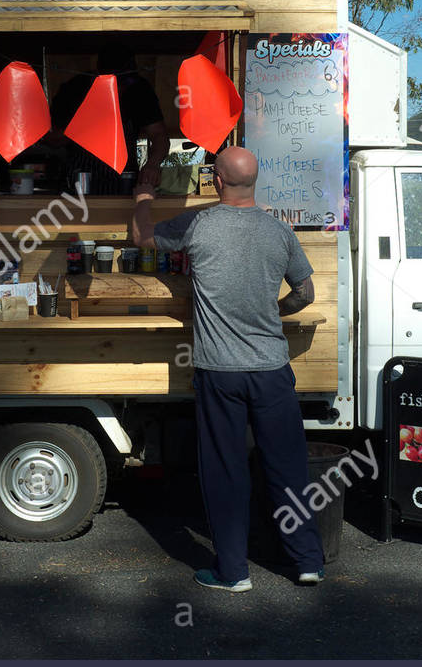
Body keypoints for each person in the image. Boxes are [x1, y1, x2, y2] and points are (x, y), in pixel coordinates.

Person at [130, 147, 324, 591]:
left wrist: (143, 195)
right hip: (272, 368)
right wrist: (274, 312)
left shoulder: (198, 224)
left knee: (225, 471)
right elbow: (306, 293)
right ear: (255, 181)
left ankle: (233, 573)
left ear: (216, 180)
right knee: (287, 466)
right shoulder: (279, 231)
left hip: (220, 373)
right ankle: (307, 561)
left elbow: (141, 238)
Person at [51, 46, 169, 194]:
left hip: (123, 182)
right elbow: (53, 138)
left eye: (127, 81)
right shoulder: (75, 88)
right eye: (116, 81)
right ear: (98, 75)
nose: (121, 88)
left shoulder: (139, 91)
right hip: (80, 182)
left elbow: (159, 135)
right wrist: (85, 126)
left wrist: (152, 164)